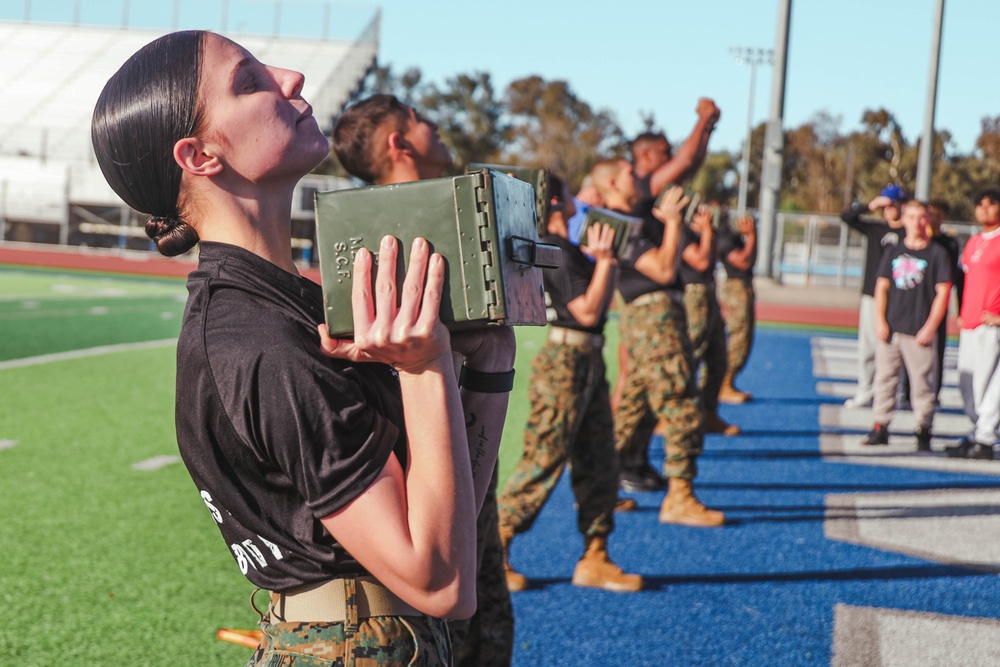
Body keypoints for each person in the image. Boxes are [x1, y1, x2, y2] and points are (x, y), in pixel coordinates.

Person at [92, 32, 515, 666]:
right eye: (250, 81)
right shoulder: (256, 341)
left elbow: (452, 526)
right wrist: (425, 369)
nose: (292, 78)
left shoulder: (292, 304)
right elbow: (440, 582)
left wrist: (484, 362)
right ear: (201, 154)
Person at [331, 93, 515, 667]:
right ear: (399, 142)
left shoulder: (461, 217)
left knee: (491, 627)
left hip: (467, 429)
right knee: (444, 633)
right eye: (421, 119)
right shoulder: (363, 233)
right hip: (419, 456)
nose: (437, 125)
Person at [496, 173, 642, 594]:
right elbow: (588, 311)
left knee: (599, 460)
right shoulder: (557, 248)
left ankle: (595, 556)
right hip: (567, 362)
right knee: (543, 458)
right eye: (572, 196)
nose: (581, 201)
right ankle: (496, 546)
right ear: (557, 201)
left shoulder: (564, 249)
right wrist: (608, 262)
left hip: (585, 360)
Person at [591, 158, 725, 527]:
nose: (641, 178)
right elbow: (664, 270)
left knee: (636, 406)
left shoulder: (632, 217)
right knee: (682, 402)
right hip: (653, 318)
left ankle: (599, 490)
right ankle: (680, 496)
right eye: (631, 174)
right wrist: (673, 224)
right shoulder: (615, 223)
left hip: (659, 317)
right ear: (615, 183)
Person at [611, 98, 721, 491]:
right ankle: (667, 489)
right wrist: (704, 122)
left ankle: (625, 463)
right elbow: (687, 163)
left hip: (654, 305)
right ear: (643, 157)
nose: (670, 155)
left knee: (637, 397)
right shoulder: (638, 186)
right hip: (647, 308)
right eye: (663, 151)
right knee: (672, 398)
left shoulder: (646, 195)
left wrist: (706, 130)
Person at [860, 200, 952, 453]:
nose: (917, 222)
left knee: (923, 384)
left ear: (928, 220)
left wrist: (931, 327)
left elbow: (943, 292)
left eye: (922, 217)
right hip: (892, 329)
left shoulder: (937, 254)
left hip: (918, 331)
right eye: (911, 217)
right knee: (885, 380)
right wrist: (880, 321)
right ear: (904, 219)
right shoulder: (893, 251)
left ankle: (923, 428)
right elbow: (882, 287)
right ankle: (881, 426)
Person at [839, 184, 907, 408]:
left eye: (892, 204)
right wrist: (870, 204)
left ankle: (893, 393)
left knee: (897, 347)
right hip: (871, 295)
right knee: (868, 345)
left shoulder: (908, 232)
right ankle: (865, 390)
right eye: (885, 205)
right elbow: (846, 216)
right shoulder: (875, 229)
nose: (887, 209)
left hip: (900, 297)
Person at [946, 190, 1000, 460]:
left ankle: (986, 437)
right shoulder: (974, 241)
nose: (984, 208)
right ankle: (979, 430)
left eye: (991, 204)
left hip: (991, 325)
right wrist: (961, 312)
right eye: (980, 204)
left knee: (986, 384)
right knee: (966, 382)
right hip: (970, 322)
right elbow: (965, 281)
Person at [679, 203, 740, 435]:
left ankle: (709, 413)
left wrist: (709, 232)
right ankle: (670, 417)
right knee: (691, 357)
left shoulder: (703, 232)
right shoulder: (681, 232)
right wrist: (706, 231)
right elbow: (701, 262)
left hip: (708, 294)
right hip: (693, 296)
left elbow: (712, 260)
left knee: (718, 359)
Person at [717, 212, 757, 404]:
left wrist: (751, 236)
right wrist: (750, 236)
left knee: (745, 336)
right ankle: (723, 384)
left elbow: (751, 260)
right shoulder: (723, 238)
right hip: (735, 289)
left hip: (743, 287)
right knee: (738, 336)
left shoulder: (732, 236)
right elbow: (743, 261)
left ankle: (728, 382)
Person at [926, 199, 963, 403]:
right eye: (930, 214)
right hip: (917, 301)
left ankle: (935, 392)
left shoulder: (949, 244)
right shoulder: (919, 240)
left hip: (939, 302)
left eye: (938, 215)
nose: (933, 219)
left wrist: (959, 308)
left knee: (937, 348)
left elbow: (954, 276)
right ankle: (906, 390)